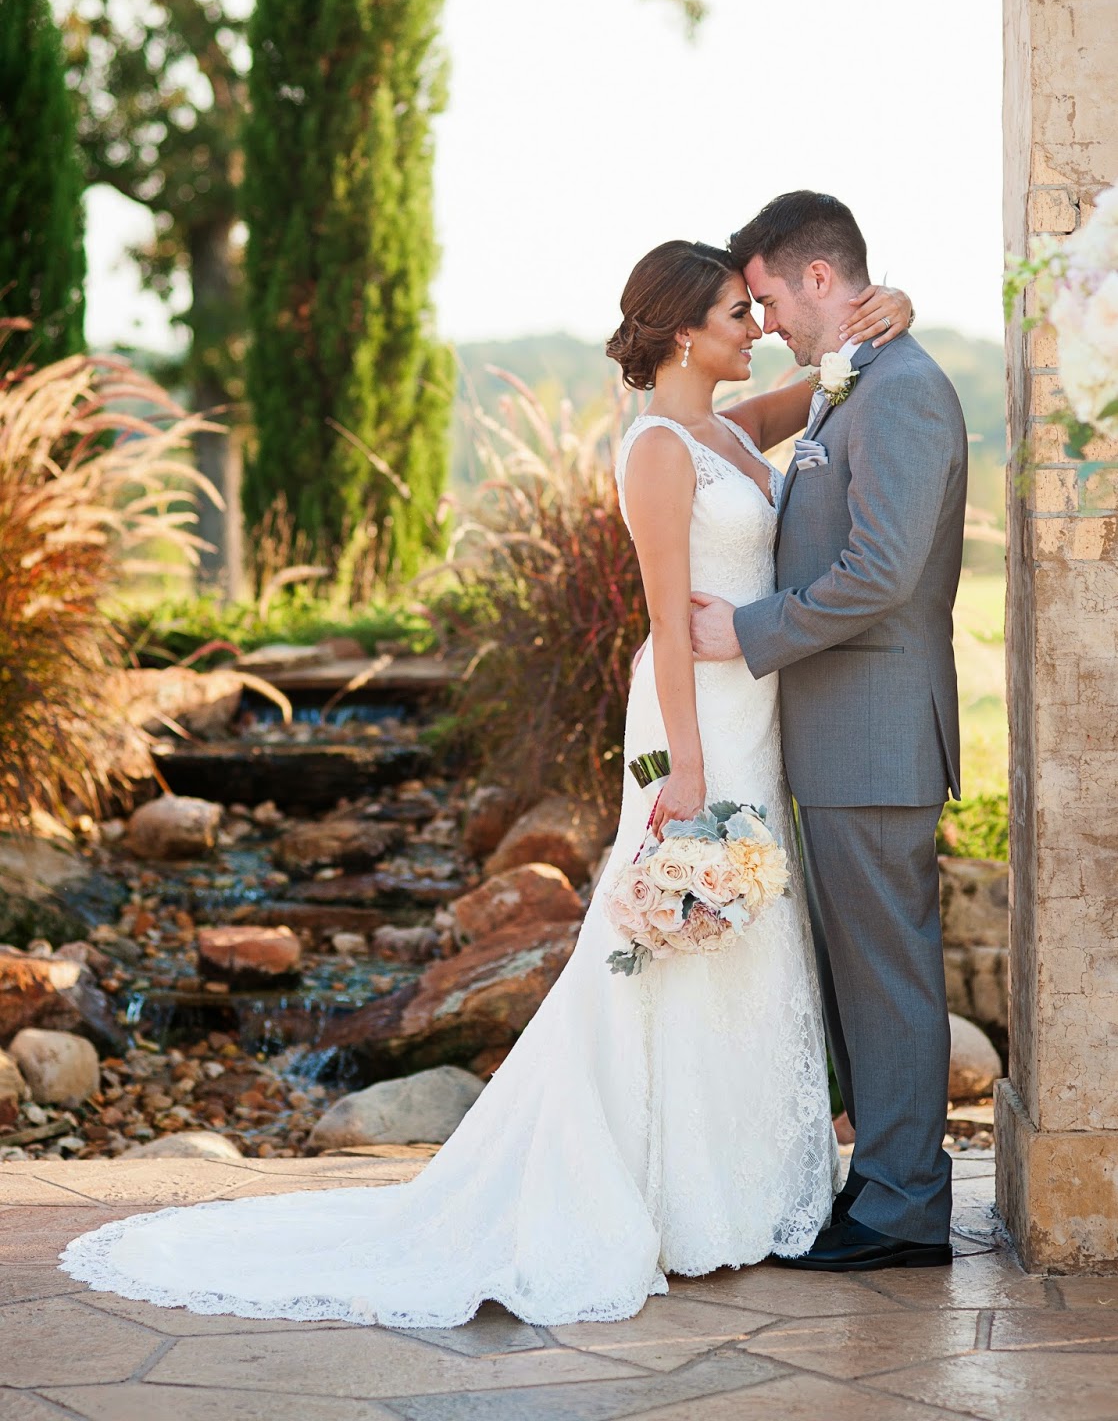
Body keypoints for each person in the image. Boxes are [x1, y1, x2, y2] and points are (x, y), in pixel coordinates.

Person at [58, 234, 915, 1327]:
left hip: (752, 709)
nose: (754, 327)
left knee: (737, 936)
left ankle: (741, 1189)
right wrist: (687, 770)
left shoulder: (723, 428)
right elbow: (661, 619)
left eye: (755, 315)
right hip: (693, 721)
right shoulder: (657, 447)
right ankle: (653, 1193)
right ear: (681, 331)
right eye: (736, 316)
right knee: (662, 937)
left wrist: (872, 321)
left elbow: (814, 393)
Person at [691, 190, 966, 1271]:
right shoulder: (855, 379)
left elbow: (878, 574)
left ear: (818, 277)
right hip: (840, 734)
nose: (761, 322)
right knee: (864, 970)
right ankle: (884, 1188)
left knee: (888, 972)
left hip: (878, 731)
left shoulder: (898, 389)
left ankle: (902, 1209)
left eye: (764, 296)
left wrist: (746, 633)